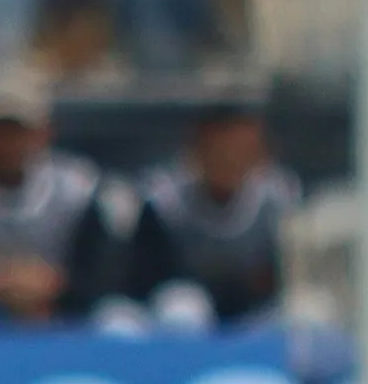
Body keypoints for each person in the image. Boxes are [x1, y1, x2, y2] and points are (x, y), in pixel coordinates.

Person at [121, 99, 296, 326]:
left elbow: (286, 277)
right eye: (222, 150)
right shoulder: (165, 199)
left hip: (257, 313)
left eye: (243, 151)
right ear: (198, 149)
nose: (231, 160)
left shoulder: (279, 197)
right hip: (185, 315)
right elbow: (145, 280)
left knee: (301, 313)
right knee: (181, 306)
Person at [0, 73, 111, 321]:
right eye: (1, 133)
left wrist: (54, 283)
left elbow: (101, 267)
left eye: (17, 133)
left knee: (117, 318)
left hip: (64, 308)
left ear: (43, 133)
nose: (7, 143)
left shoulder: (75, 186)